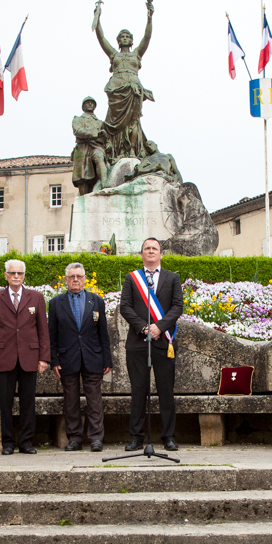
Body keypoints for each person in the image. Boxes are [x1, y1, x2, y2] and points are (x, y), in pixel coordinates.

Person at [119, 237, 183, 451]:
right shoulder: (132, 278)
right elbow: (125, 307)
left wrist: (159, 327)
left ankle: (169, 437)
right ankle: (136, 437)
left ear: (161, 254)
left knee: (166, 391)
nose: (151, 251)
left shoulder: (172, 278)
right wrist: (145, 328)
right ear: (142, 254)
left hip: (164, 343)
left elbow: (177, 307)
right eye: (147, 248)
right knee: (138, 391)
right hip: (138, 343)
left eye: (154, 248)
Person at [0, 259, 51, 455]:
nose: (16, 276)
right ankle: (7, 443)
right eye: (12, 273)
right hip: (4, 356)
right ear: (6, 275)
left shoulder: (36, 297)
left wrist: (43, 358)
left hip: (29, 357)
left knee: (28, 401)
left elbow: (42, 330)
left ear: (24, 276)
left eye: (19, 273)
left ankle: (26, 442)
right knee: (5, 402)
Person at [48, 262, 113, 452]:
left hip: (93, 358)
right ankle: (74, 438)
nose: (75, 280)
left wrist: (107, 359)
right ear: (66, 280)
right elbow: (51, 335)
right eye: (71, 276)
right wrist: (54, 360)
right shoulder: (55, 303)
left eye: (79, 276)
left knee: (94, 400)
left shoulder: (96, 301)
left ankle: (96, 438)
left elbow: (103, 333)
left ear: (84, 279)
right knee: (70, 401)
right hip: (67, 359)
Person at [93, 0, 154, 159]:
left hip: (133, 88)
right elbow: (101, 38)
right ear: (119, 41)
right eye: (122, 36)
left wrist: (149, 18)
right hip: (117, 90)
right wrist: (97, 19)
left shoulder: (137, 54)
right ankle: (116, 151)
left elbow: (147, 38)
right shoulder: (114, 54)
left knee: (133, 121)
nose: (125, 38)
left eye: (127, 36)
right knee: (115, 123)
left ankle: (133, 150)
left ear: (132, 40)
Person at [71, 96, 110, 195]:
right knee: (83, 178)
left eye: (92, 103)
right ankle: (83, 198)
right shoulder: (78, 119)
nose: (90, 104)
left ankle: (105, 184)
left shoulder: (100, 122)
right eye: (87, 102)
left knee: (99, 157)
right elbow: (78, 131)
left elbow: (108, 137)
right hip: (83, 148)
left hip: (97, 146)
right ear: (83, 106)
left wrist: (107, 141)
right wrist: (96, 133)